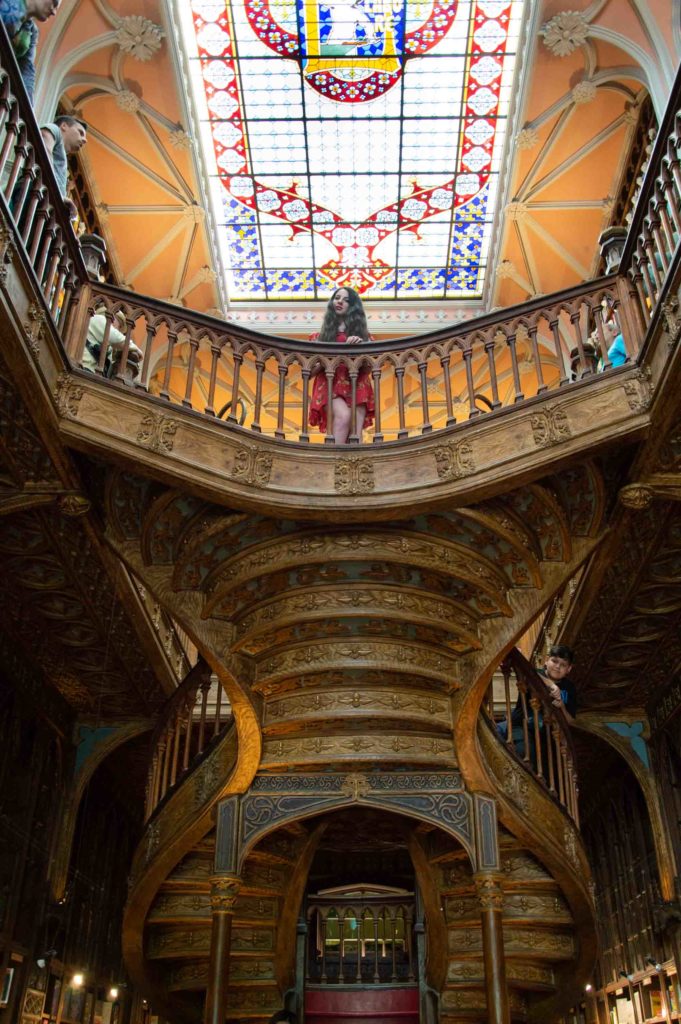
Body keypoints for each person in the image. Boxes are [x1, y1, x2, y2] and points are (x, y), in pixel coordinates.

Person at [309, 287, 375, 444]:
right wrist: (333, 352)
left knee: (356, 432)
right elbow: (308, 372)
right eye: (337, 297)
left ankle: (352, 466)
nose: (340, 301)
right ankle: (333, 465)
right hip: (330, 382)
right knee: (344, 417)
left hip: (356, 382)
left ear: (353, 307)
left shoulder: (365, 336)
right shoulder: (318, 337)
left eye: (346, 300)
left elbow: (369, 368)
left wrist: (359, 348)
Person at [498, 644, 577, 764]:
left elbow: (570, 720)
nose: (557, 666)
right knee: (525, 753)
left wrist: (562, 707)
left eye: (563, 665)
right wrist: (551, 684)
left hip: (547, 737)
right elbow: (529, 672)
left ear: (569, 669)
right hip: (521, 726)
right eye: (554, 661)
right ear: (546, 661)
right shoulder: (535, 674)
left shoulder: (570, 688)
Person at [0, 0, 60, 103]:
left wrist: (28, 106)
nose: (54, 12)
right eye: (54, 4)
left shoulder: (32, 31)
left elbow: (27, 70)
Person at [82, 306, 142, 382]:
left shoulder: (109, 347)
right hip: (84, 369)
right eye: (119, 324)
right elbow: (116, 338)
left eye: (120, 327)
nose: (118, 329)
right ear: (113, 318)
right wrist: (137, 349)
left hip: (93, 375)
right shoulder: (97, 319)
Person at [40, 115, 87, 199]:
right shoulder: (55, 129)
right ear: (64, 126)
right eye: (80, 133)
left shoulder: (63, 158)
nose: (85, 140)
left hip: (44, 199)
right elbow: (43, 151)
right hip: (35, 191)